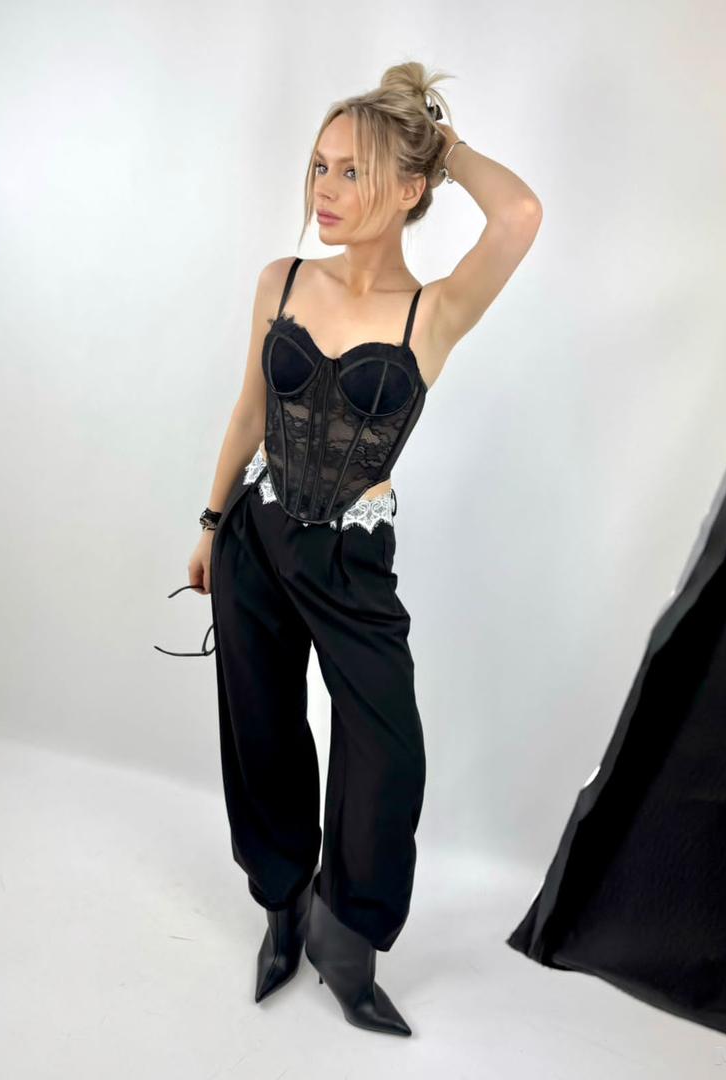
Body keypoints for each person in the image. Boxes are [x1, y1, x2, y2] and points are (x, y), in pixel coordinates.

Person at [185, 61, 542, 1036]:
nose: (326, 190)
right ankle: (280, 909)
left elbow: (517, 215)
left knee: (386, 752)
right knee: (260, 731)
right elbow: (248, 413)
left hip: (349, 560)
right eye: (320, 166)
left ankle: (347, 948)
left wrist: (436, 138)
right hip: (256, 540)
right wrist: (210, 525)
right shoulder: (281, 280)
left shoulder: (435, 312)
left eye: (353, 172)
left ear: (410, 190)